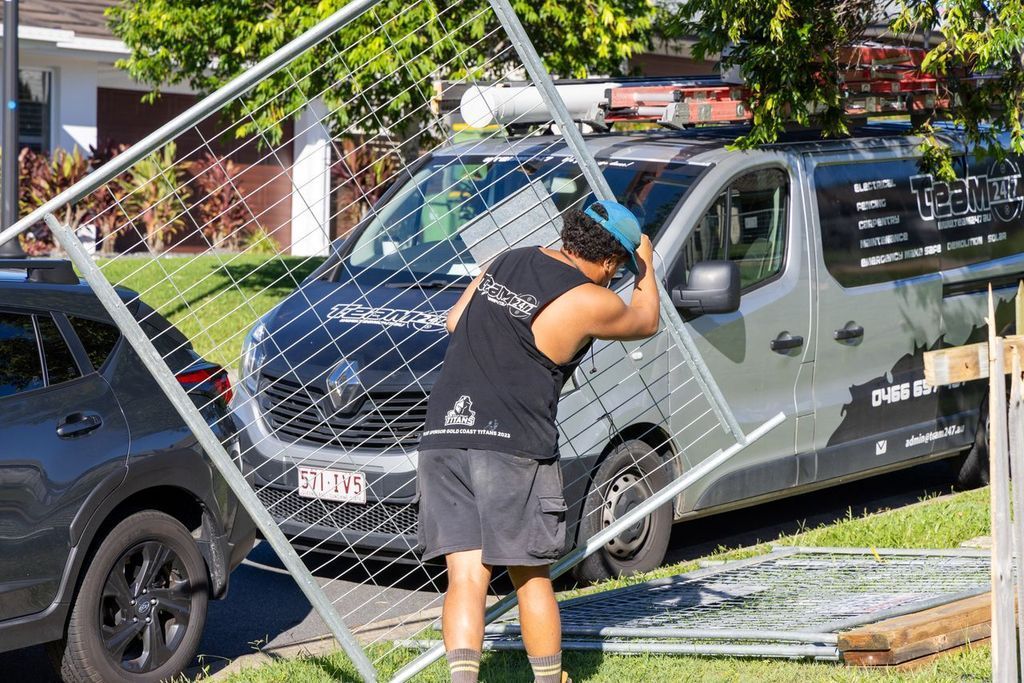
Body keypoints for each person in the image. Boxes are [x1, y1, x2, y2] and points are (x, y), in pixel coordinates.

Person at [416, 200, 660, 683]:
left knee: (465, 578)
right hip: (512, 445)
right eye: (620, 268)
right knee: (530, 578)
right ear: (611, 263)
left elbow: (453, 321)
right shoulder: (591, 300)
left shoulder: (510, 258)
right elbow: (647, 321)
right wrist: (647, 265)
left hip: (443, 434)